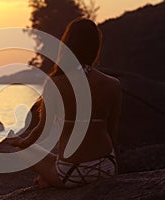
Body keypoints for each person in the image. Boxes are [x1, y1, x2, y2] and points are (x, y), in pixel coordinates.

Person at [6, 18, 122, 188]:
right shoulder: (113, 84)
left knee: (24, 152)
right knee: (50, 171)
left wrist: (19, 142)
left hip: (70, 173)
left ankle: (48, 181)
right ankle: (47, 180)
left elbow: (41, 131)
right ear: (95, 47)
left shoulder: (55, 84)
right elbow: (112, 132)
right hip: (107, 167)